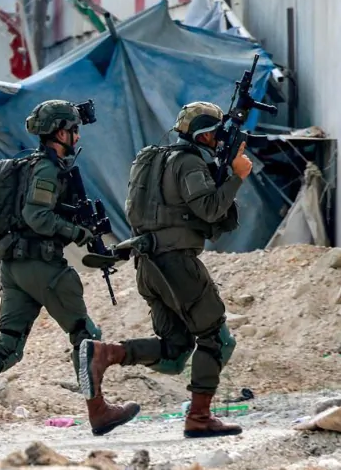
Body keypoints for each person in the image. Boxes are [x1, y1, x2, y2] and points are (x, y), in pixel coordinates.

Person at [0, 100, 140, 443]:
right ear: (60, 132)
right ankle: (99, 411)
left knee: (10, 343)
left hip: (15, 266)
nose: (77, 136)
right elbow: (37, 217)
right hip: (41, 265)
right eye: (73, 130)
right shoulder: (46, 170)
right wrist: (79, 233)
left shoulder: (29, 166)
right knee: (86, 336)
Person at [78, 101, 250, 438]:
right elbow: (211, 208)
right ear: (204, 134)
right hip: (176, 263)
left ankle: (105, 353)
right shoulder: (187, 163)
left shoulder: (153, 159)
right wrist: (237, 176)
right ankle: (199, 417)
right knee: (216, 338)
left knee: (174, 350)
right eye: (215, 135)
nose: (218, 141)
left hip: (147, 263)